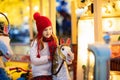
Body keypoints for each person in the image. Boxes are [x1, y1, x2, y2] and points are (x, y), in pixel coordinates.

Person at [30, 12, 58, 80]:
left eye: (50, 29)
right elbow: (33, 60)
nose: (48, 32)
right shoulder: (36, 42)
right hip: (40, 73)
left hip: (51, 72)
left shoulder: (54, 40)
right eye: (45, 30)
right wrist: (47, 58)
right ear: (40, 30)